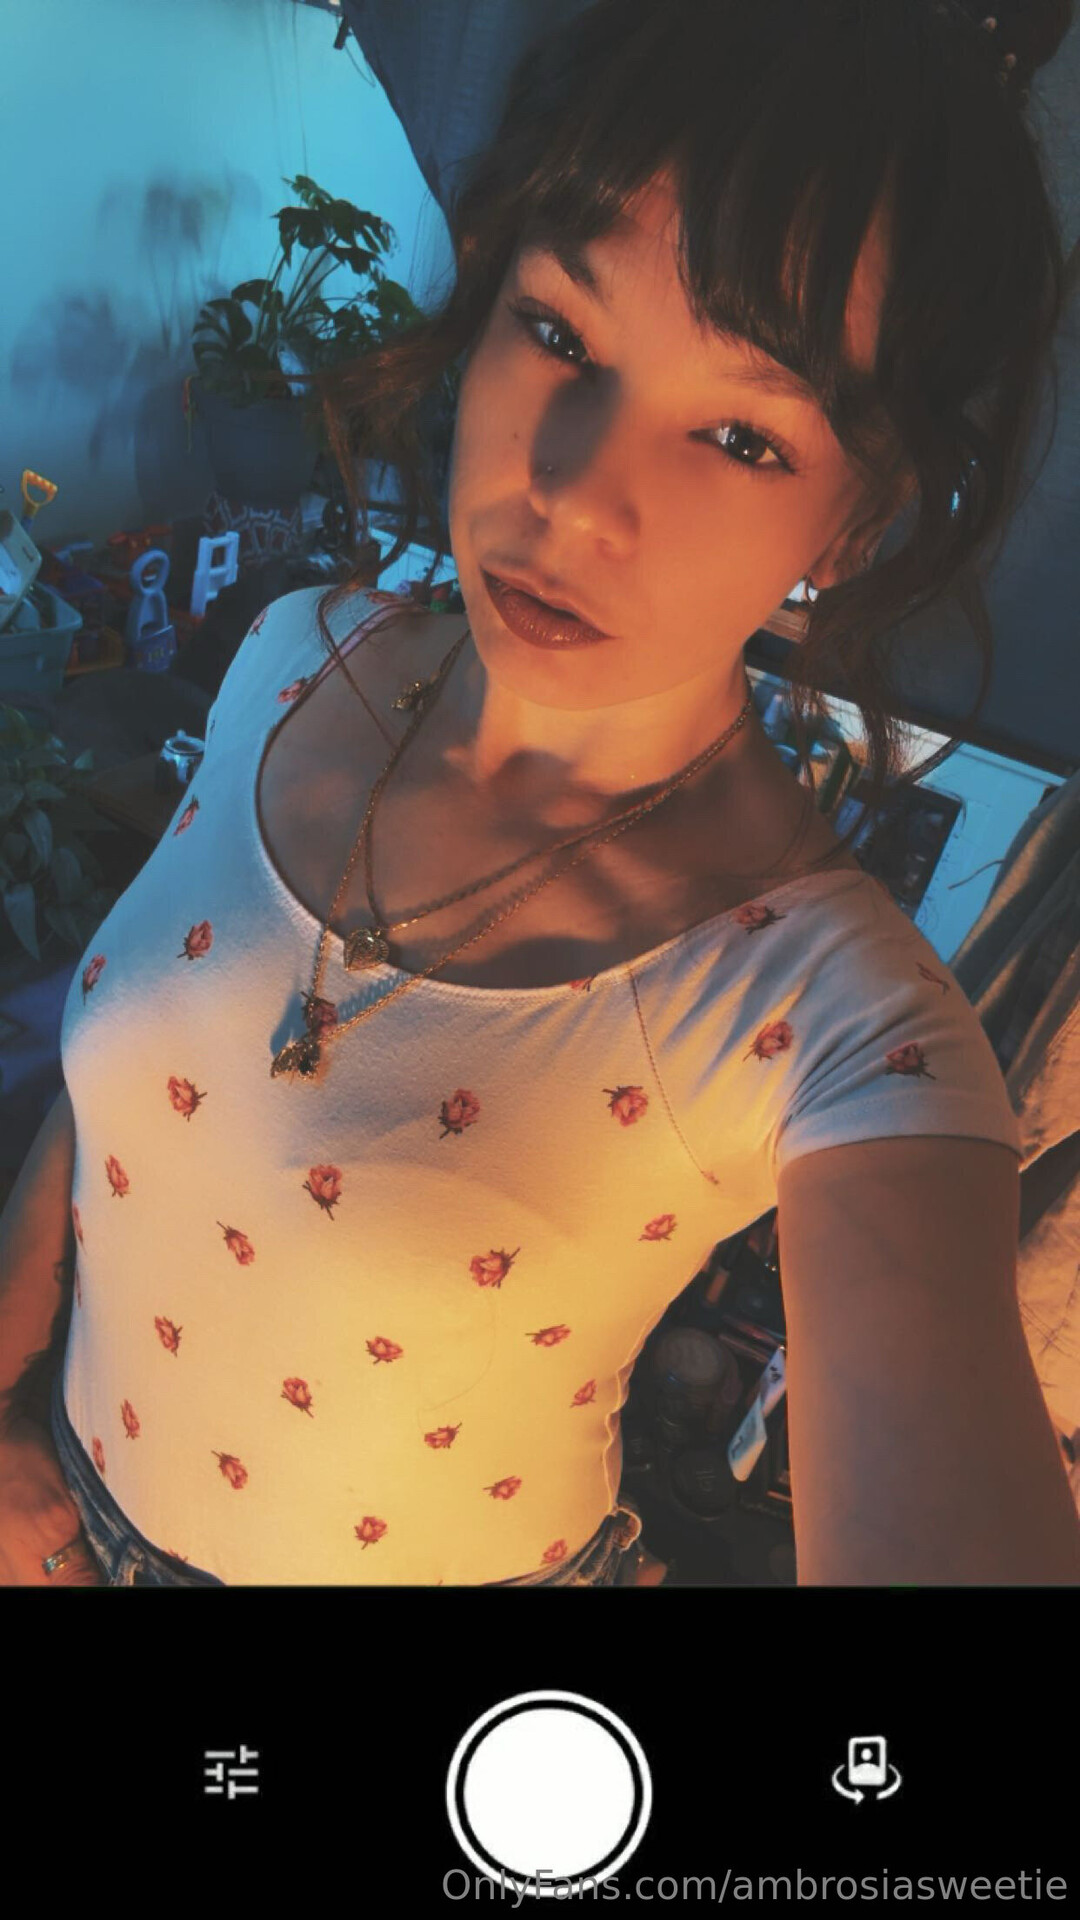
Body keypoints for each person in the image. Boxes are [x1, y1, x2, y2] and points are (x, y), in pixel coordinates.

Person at [2, 0, 1079, 1586]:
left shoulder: (836, 1016)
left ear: (856, 526)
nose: (571, 491)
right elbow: (130, 1079)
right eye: (561, 332)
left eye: (740, 434)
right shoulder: (300, 652)